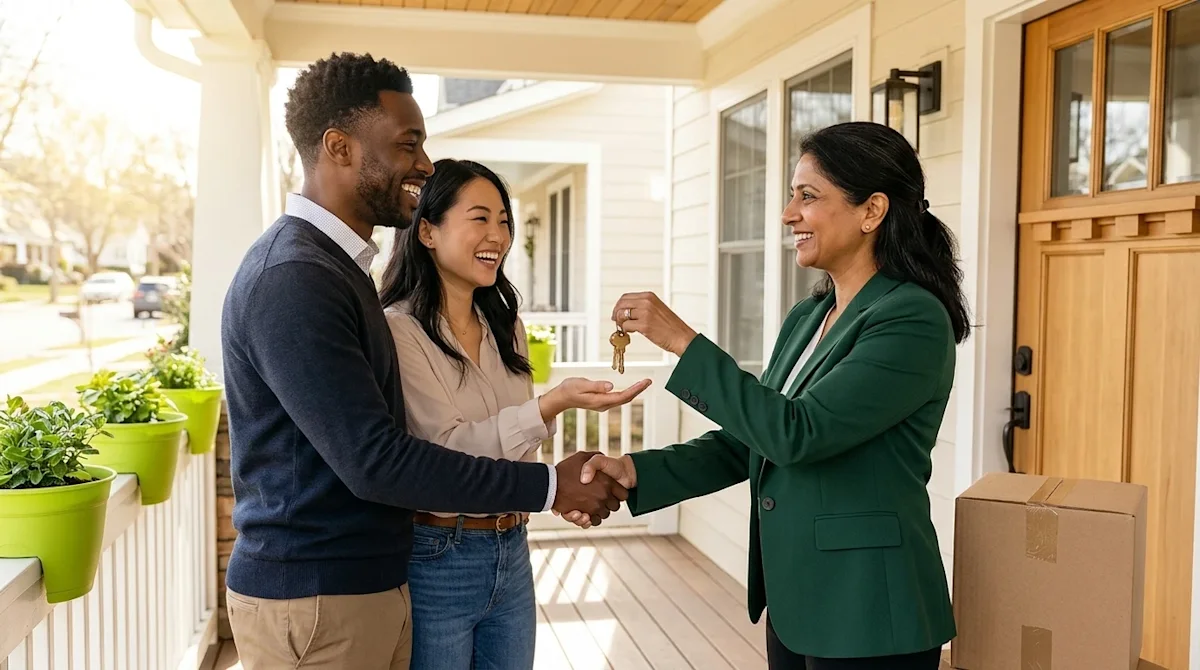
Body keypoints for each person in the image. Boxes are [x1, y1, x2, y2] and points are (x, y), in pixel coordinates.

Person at [219, 52, 628, 670]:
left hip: (365, 586)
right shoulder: (295, 277)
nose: (425, 164)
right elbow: (376, 461)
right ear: (339, 147)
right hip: (316, 599)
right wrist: (548, 484)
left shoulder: (335, 269)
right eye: (408, 144)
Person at [565, 121, 970, 670]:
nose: (788, 214)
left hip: (871, 610)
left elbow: (800, 433)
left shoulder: (912, 319)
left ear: (871, 211)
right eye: (791, 195)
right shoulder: (809, 316)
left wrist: (683, 343)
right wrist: (638, 470)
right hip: (796, 598)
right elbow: (751, 441)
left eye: (809, 196)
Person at [377, 157, 650, 669]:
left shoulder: (506, 325)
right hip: (438, 555)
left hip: (513, 547)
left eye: (504, 220)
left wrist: (561, 485)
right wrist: (552, 403)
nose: (498, 236)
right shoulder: (399, 331)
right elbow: (447, 454)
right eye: (480, 218)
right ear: (428, 232)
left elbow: (519, 448)